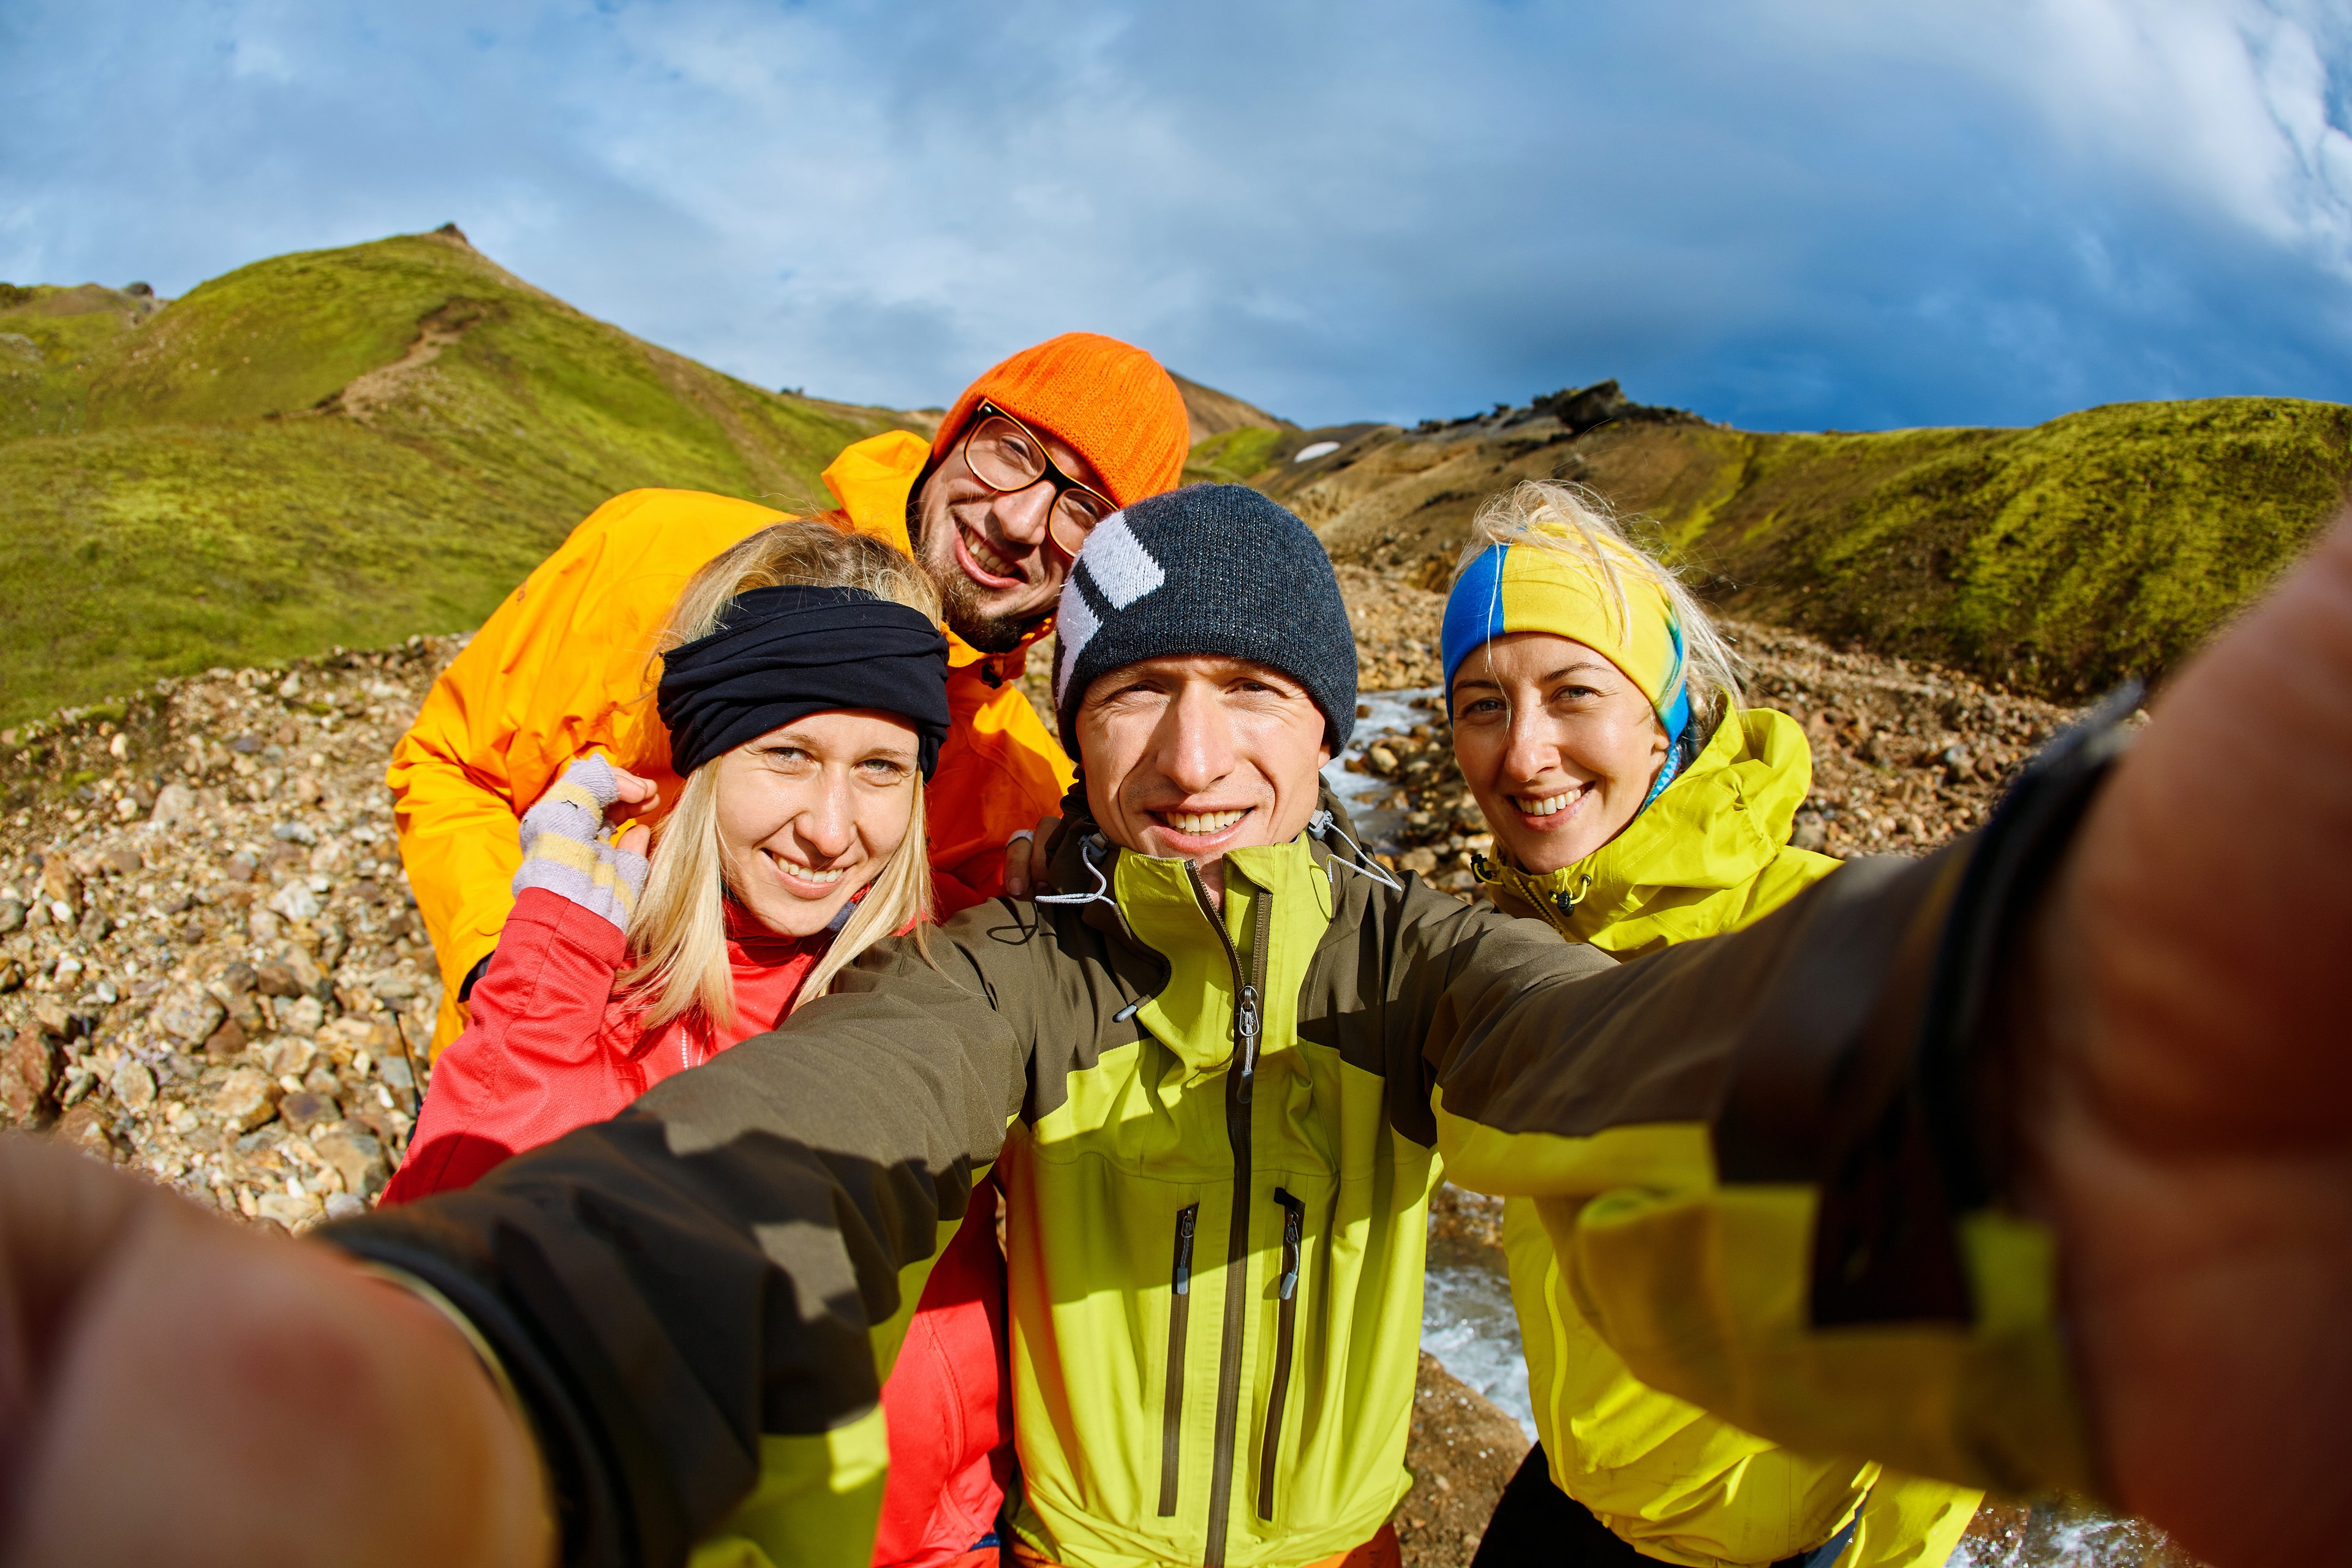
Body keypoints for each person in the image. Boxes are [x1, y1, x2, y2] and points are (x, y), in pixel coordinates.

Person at [4, 490, 2351, 1568]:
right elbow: (810, 1132)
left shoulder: (1408, 952)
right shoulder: (1021, 961)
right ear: (1076, 732)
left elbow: (1617, 1041)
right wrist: (492, 1342)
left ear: (1327, 735)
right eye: (1143, 700)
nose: (1203, 758)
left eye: (1259, 699)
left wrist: (1964, 1014)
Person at [383, 516, 1014, 1568]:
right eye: (788, 754)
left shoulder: (957, 984)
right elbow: (434, 1348)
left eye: (880, 768)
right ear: (705, 754)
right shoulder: (588, 993)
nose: (829, 827)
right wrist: (538, 975)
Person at [1439, 481, 1978, 1568]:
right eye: (1482, 705)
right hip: (1577, 1492)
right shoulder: (1516, 936)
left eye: (1574, 693)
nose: (1525, 754)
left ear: (1665, 710)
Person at [387, 331, 1192, 1055]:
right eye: (1011, 449)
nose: (1019, 520)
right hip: (517, 1108)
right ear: (951, 437)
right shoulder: (652, 557)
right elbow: (453, 766)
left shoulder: (1026, 797)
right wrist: (503, 970)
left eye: (1084, 509)